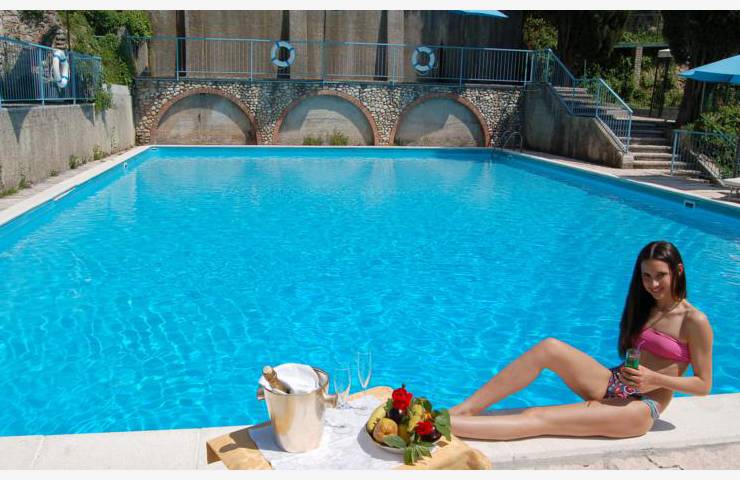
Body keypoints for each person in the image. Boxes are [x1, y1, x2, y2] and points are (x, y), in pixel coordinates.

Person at [450, 241, 713, 440]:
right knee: (549, 347)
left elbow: (703, 385)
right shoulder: (646, 307)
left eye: (660, 276)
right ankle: (462, 410)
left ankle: (441, 425)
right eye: (646, 276)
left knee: (538, 417)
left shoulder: (694, 321)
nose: (653, 284)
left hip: (640, 406)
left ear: (678, 271)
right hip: (614, 382)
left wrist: (656, 379)